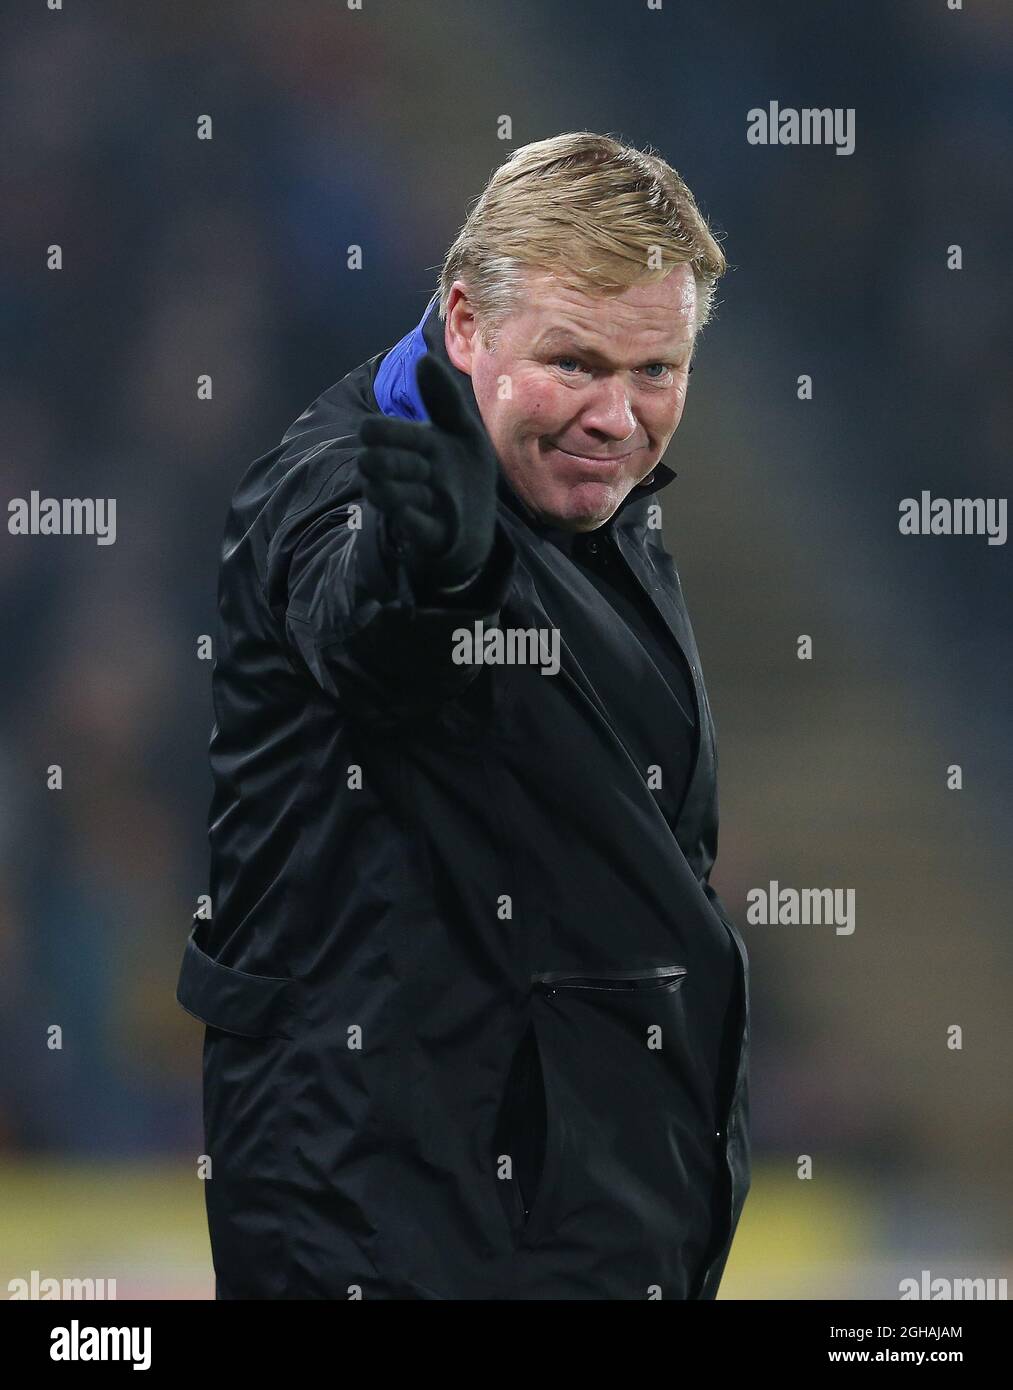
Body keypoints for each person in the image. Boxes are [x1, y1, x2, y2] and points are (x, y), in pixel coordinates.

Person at [176, 130, 751, 1300]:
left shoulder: (585, 500)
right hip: (394, 1229)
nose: (618, 417)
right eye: (575, 362)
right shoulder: (344, 487)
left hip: (571, 1213)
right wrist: (431, 568)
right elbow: (372, 636)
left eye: (656, 371)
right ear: (462, 326)